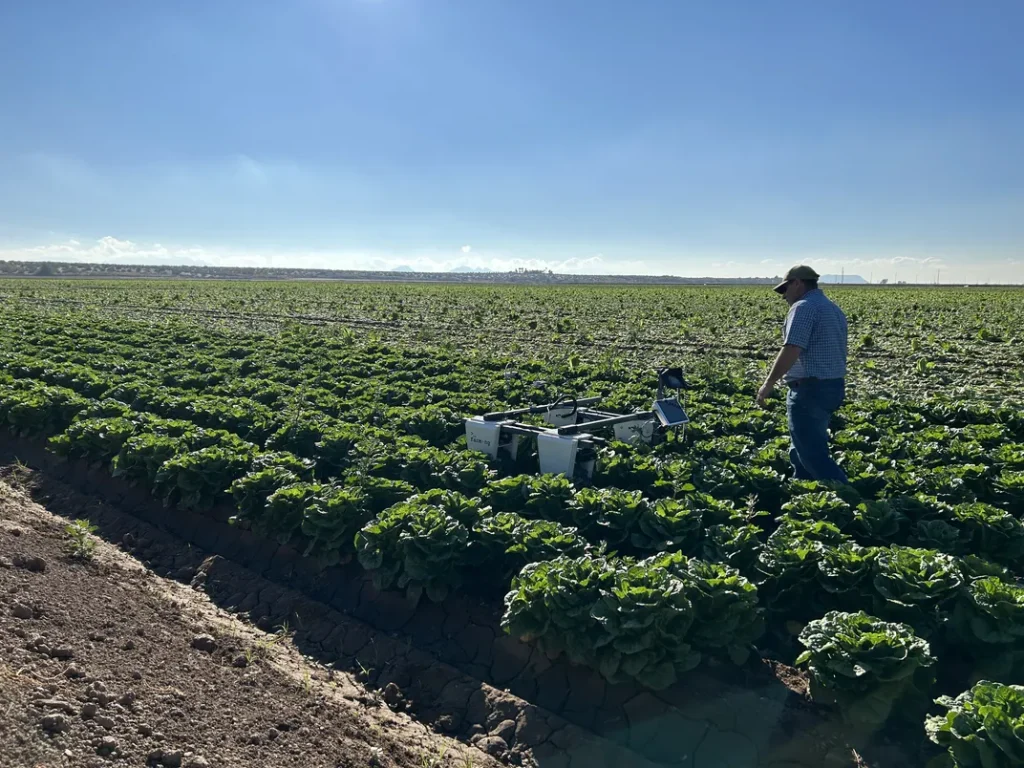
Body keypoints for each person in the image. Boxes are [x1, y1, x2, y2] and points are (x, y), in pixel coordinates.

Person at [756, 265, 849, 483]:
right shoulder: (832, 308)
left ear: (797, 283)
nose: (784, 297)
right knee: (802, 448)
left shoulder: (804, 307)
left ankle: (852, 502)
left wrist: (768, 383)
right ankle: (802, 493)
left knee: (813, 455)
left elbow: (792, 349)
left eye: (785, 289)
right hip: (832, 386)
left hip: (810, 389)